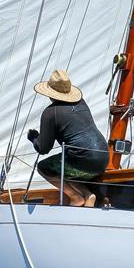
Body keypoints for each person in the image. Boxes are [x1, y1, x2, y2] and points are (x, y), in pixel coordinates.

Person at [27, 69, 109, 207]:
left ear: (50, 93)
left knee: (45, 168)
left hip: (82, 160)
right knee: (65, 168)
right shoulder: (81, 103)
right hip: (103, 158)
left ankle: (76, 197)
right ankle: (89, 195)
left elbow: (43, 148)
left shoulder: (50, 112)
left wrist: (34, 138)